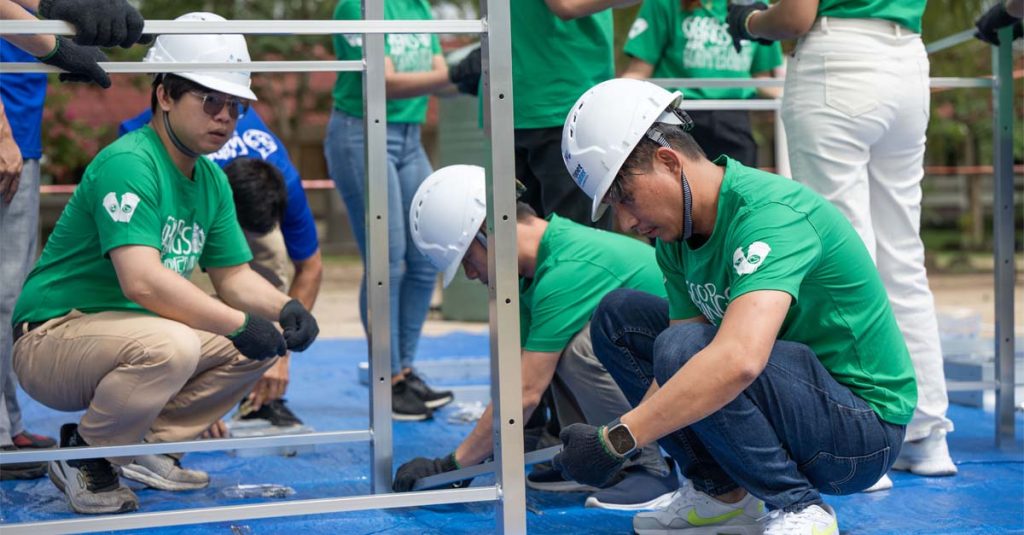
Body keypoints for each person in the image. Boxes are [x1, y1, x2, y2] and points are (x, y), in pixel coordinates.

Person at [553, 78, 916, 534]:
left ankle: (799, 507)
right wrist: (624, 435)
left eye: (625, 197)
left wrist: (618, 439)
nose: (625, 221)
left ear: (669, 162)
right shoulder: (677, 238)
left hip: (859, 435)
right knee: (619, 317)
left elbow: (738, 360)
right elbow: (673, 371)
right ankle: (719, 494)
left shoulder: (770, 215)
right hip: (791, 402)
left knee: (691, 347)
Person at [10, 12, 319, 515]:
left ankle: (142, 449)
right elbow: (144, 283)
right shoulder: (130, 162)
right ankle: (84, 458)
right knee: (177, 342)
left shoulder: (212, 180)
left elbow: (235, 277)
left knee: (261, 342)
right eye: (210, 100)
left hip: (129, 334)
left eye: (235, 106)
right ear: (165, 95)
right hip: (51, 336)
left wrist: (287, 309)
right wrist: (242, 323)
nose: (225, 116)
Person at [726, 0, 957, 488]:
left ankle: (860, 443)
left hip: (838, 60)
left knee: (840, 262)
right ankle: (928, 434)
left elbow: (794, 16)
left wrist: (749, 21)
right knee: (902, 257)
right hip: (908, 60)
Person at [391, 165, 680, 510]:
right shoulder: (533, 274)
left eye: (468, 258)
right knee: (551, 352)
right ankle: (599, 462)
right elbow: (520, 381)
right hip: (656, 364)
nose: (470, 274)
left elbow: (525, 393)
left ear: (488, 232)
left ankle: (646, 467)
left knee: (578, 350)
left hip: (685, 369)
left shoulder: (566, 268)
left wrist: (453, 465)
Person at [0, 0, 148, 480]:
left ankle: (8, 424)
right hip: (6, 132)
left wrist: (76, 15)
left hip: (21, 131)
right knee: (1, 292)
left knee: (8, 293)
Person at [119, 105, 323, 429]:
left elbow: (310, 266)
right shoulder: (167, 162)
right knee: (175, 275)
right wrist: (196, 399)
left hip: (237, 188)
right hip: (181, 191)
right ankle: (168, 397)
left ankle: (259, 397)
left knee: (268, 271)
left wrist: (280, 355)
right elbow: (151, 284)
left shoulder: (287, 183)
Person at [325, 0, 455, 421]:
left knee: (425, 256)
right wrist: (458, 71)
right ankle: (388, 380)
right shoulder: (355, 7)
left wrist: (482, 68)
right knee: (388, 260)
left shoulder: (419, 8)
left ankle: (405, 369)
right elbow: (383, 81)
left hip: (409, 135)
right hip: (361, 131)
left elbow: (437, 75)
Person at [447, 0, 639, 228]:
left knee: (523, 248)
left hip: (527, 100)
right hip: (561, 99)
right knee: (578, 246)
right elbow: (567, 5)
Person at [620, 0, 783, 167]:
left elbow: (762, 78)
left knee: (739, 187)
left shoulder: (756, 5)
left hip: (734, 118)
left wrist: (793, 97)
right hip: (678, 116)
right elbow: (639, 71)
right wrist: (612, 98)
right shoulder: (664, 3)